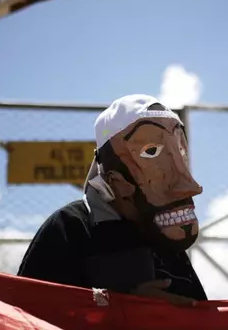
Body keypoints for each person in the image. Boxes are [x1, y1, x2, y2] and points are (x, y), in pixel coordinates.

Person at [17, 94, 207, 306]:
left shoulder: (165, 237)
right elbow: (26, 317)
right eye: (151, 152)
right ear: (114, 179)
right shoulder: (70, 228)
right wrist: (121, 309)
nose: (192, 187)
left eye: (180, 151)